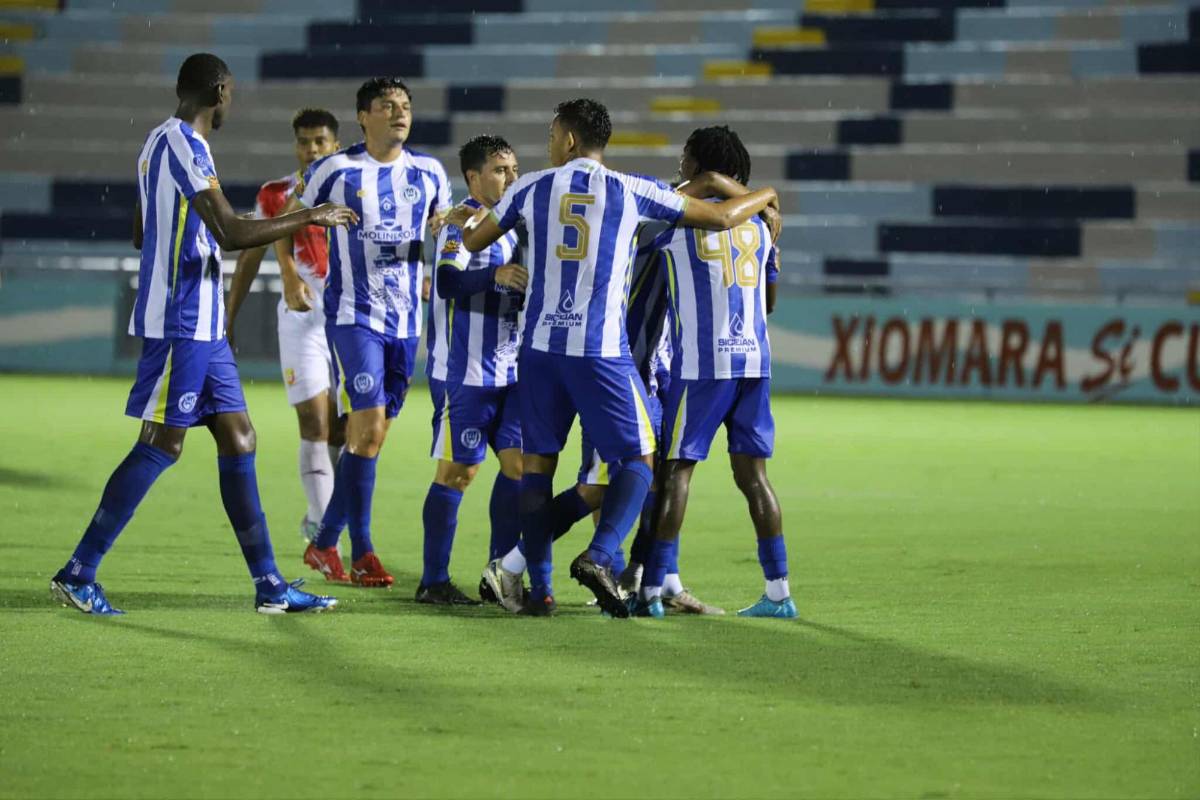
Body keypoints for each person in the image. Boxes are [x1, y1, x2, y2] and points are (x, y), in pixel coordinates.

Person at [49, 53, 357, 615]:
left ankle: (269, 585)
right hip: (181, 322)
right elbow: (233, 231)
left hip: (205, 325)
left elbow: (143, 231)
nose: (231, 101)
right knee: (163, 443)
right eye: (231, 92)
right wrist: (309, 216)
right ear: (219, 90)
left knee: (240, 438)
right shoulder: (184, 145)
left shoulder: (157, 143)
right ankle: (78, 570)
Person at [461, 98, 780, 617]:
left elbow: (474, 240)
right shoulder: (632, 190)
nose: (548, 145)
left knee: (538, 466)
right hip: (599, 350)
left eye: (551, 136)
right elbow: (722, 216)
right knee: (639, 460)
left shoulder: (530, 186)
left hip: (539, 349)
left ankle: (528, 584)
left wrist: (476, 221)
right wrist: (767, 194)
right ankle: (601, 555)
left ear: (567, 140)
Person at [282, 77, 452, 588]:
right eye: (387, 106)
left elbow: (442, 229)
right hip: (354, 316)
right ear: (363, 116)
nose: (399, 113)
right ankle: (360, 549)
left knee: (370, 440)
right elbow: (288, 216)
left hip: (406, 324)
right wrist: (289, 272)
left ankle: (329, 543)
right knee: (367, 430)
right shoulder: (335, 168)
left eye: (405, 106)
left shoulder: (429, 172)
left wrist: (442, 249)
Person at [636, 125, 795, 619]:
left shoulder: (675, 222)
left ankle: (651, 592)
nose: (678, 166)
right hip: (755, 360)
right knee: (754, 477)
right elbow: (769, 302)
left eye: (686, 158)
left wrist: (705, 184)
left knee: (676, 470)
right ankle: (778, 593)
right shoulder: (761, 227)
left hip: (704, 363)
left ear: (697, 165)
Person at [225, 108, 345, 552]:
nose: (311, 150)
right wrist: (229, 316)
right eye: (304, 142)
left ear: (335, 144)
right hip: (301, 319)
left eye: (320, 142)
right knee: (313, 424)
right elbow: (249, 256)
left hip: (352, 319)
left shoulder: (354, 186)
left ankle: (327, 516)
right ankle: (322, 532)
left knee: (343, 431)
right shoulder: (274, 194)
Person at [423, 134, 526, 605]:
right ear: (473, 177)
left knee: (519, 469)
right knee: (458, 473)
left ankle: (498, 574)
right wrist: (495, 276)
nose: (511, 177)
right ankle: (433, 581)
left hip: (508, 373)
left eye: (513, 169)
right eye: (501, 169)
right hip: (463, 374)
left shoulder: (514, 224)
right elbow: (446, 282)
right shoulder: (461, 223)